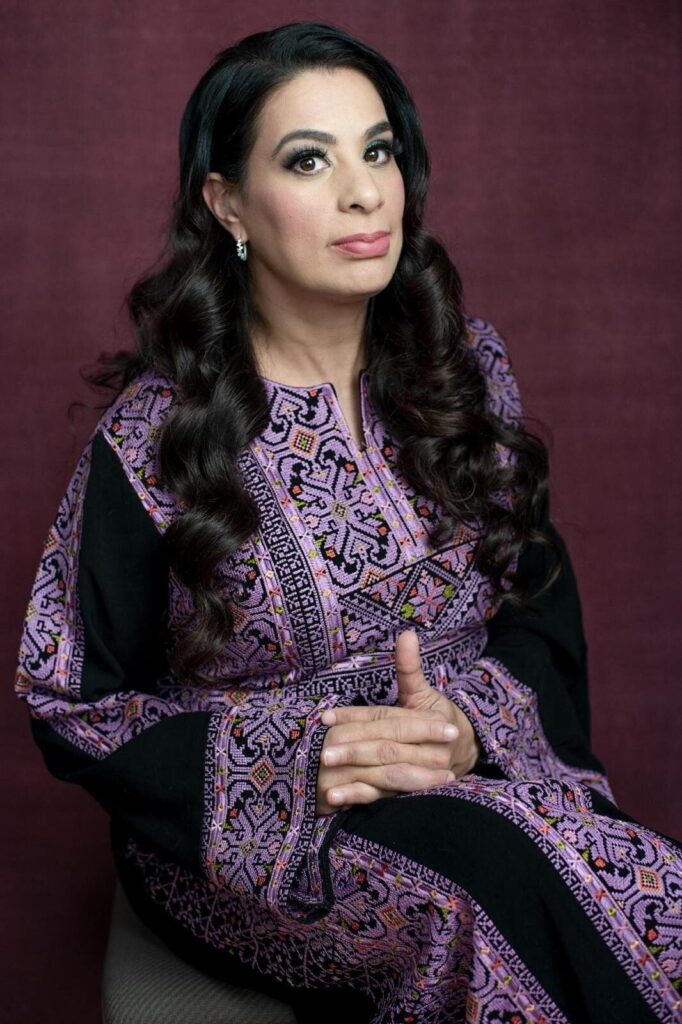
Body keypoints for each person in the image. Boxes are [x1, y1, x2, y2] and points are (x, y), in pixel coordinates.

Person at [14, 20, 682, 1024]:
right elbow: (70, 698)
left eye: (377, 151)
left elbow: (535, 605)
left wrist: (463, 728)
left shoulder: (459, 378)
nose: (363, 191)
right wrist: (299, 754)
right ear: (227, 202)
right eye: (307, 160)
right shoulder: (159, 437)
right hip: (260, 830)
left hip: (469, 771)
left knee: (654, 891)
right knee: (478, 898)